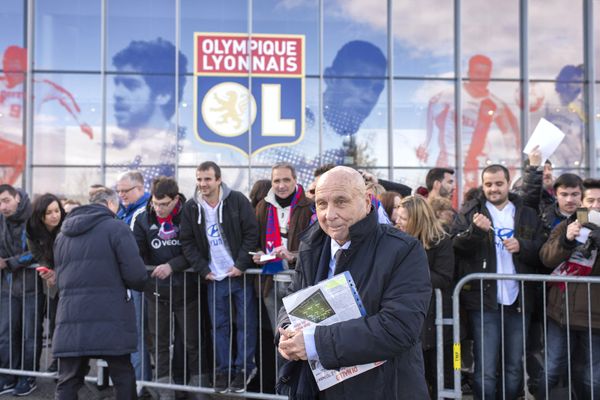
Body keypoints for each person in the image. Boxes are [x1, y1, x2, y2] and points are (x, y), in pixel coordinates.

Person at [276, 166, 431, 399]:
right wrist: (287, 332)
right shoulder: (311, 246)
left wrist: (313, 342)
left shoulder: (403, 250)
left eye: (341, 202)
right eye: (321, 204)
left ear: (367, 201)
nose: (330, 214)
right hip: (318, 388)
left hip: (383, 389)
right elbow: (292, 300)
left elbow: (398, 328)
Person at [452, 164, 543, 400]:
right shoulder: (471, 211)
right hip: (484, 300)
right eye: (488, 184)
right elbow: (456, 247)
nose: (493, 189)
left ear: (508, 183)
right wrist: (476, 231)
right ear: (483, 186)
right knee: (486, 367)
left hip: (519, 298)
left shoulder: (526, 212)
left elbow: (543, 252)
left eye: (498, 183)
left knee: (513, 366)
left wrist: (523, 246)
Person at [51, 187, 147, 400]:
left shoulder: (63, 234)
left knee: (68, 379)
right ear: (111, 205)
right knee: (122, 374)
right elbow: (137, 275)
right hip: (110, 314)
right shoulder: (117, 228)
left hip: (70, 315)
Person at [180, 161, 259, 393]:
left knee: (246, 324)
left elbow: (251, 232)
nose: (203, 184)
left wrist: (242, 264)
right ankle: (224, 370)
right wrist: (203, 269)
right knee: (219, 327)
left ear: (218, 180)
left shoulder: (237, 200)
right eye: (199, 179)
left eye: (207, 179)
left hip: (238, 275)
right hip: (214, 277)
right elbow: (188, 242)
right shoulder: (191, 207)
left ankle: (244, 368)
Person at [133, 177, 203, 399]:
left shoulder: (190, 214)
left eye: (164, 204)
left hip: (187, 290)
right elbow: (138, 252)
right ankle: (165, 391)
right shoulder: (143, 219)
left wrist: (172, 265)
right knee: (160, 344)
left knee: (193, 342)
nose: (159, 208)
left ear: (176, 199)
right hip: (156, 292)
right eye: (156, 203)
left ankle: (199, 389)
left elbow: (196, 251)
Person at [535, 178, 600, 400]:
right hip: (560, 312)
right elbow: (546, 258)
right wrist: (566, 239)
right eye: (590, 200)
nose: (595, 206)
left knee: (592, 376)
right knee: (552, 367)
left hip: (595, 316)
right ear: (583, 201)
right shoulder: (569, 224)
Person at [417, 54, 520, 191]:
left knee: (471, 200)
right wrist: (426, 143)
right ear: (469, 73)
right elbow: (430, 110)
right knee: (443, 198)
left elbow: (510, 134)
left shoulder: (496, 104)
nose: (481, 79)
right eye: (477, 73)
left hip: (476, 164)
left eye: (485, 75)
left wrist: (511, 163)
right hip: (448, 160)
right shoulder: (450, 94)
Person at [0, 46, 93, 185]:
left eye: (16, 65)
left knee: (7, 185)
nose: (13, 71)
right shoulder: (2, 83)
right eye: (9, 64)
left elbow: (64, 96)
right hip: (2, 139)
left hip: (19, 144)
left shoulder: (38, 86)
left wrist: (82, 122)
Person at [395, 195, 454, 398]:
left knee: (440, 378)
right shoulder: (397, 241)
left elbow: (444, 277)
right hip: (408, 320)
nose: (397, 221)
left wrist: (412, 272)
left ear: (417, 219)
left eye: (403, 218)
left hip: (436, 321)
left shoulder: (441, 241)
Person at [111, 38, 188, 189]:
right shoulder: (121, 149)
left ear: (163, 95)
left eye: (131, 85)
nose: (117, 93)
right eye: (117, 83)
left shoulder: (184, 153)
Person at [253, 163, 314, 332]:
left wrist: (293, 256)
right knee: (279, 336)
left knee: (302, 335)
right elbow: (254, 239)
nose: (281, 185)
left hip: (299, 282)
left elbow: (316, 246)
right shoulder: (262, 207)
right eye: (276, 180)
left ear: (295, 180)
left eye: (286, 180)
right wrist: (258, 252)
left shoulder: (309, 206)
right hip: (270, 282)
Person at [0, 184, 41, 396]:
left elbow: (38, 250)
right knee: (6, 334)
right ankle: (7, 375)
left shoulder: (33, 217)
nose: (2, 206)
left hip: (32, 286)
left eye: (6, 200)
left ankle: (28, 376)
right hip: (7, 286)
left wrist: (9, 262)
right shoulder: (1, 220)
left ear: (17, 197)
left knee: (30, 334)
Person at [115, 171, 152, 387]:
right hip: (131, 282)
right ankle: (139, 381)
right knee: (135, 333)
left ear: (139, 188)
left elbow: (130, 250)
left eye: (125, 191)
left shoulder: (142, 212)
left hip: (140, 282)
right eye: (118, 191)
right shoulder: (125, 211)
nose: (121, 195)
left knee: (138, 334)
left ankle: (140, 383)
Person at [26, 193, 66, 374]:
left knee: (68, 325)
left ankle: (68, 364)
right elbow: (37, 254)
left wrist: (58, 272)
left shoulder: (67, 227)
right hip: (51, 286)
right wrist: (48, 269)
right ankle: (57, 361)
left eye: (57, 210)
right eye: (49, 212)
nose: (54, 215)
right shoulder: (33, 230)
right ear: (40, 215)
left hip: (70, 282)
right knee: (55, 324)